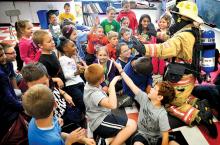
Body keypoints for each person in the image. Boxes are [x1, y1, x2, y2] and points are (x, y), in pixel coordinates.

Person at [135, 1, 217, 138]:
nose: (173, 19)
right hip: (189, 77)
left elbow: (165, 49)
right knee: (183, 96)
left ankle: (199, 116)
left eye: (175, 17)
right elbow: (171, 37)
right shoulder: (192, 30)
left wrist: (144, 49)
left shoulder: (183, 36)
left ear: (181, 18)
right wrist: (156, 33)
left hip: (181, 78)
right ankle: (198, 103)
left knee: (170, 103)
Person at [114, 61, 179, 145]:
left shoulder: (162, 114)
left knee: (173, 143)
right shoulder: (143, 98)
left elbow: (165, 136)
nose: (151, 88)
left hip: (159, 137)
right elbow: (131, 84)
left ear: (159, 97)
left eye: (154, 89)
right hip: (143, 135)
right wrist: (121, 71)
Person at [21, 62, 86, 133]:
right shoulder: (30, 99)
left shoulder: (49, 80)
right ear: (27, 84)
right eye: (36, 86)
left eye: (44, 83)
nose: (43, 88)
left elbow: (54, 87)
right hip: (58, 121)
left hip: (65, 107)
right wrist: (54, 120)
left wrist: (64, 93)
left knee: (81, 119)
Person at [22, 84, 95, 145]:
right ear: (55, 104)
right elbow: (56, 138)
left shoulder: (35, 119)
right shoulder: (52, 141)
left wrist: (83, 140)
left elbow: (58, 133)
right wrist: (69, 142)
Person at [83, 64, 137, 145]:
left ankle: (106, 141)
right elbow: (113, 105)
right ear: (102, 79)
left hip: (101, 116)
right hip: (99, 122)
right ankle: (105, 142)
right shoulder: (94, 94)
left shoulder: (90, 83)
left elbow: (91, 71)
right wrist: (112, 85)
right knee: (132, 126)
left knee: (127, 127)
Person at [0, 43, 26, 143]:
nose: (3, 58)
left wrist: (18, 95)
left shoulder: (8, 64)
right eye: (1, 56)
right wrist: (21, 106)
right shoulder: (1, 74)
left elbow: (12, 78)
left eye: (3, 54)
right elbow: (7, 97)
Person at [57, 37, 86, 113]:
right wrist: (76, 72)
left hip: (78, 82)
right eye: (72, 46)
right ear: (65, 49)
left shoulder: (71, 58)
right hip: (72, 85)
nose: (75, 47)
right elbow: (66, 75)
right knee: (81, 103)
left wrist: (79, 69)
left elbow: (73, 70)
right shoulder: (63, 59)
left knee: (85, 101)